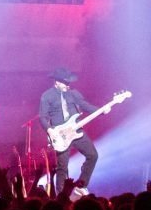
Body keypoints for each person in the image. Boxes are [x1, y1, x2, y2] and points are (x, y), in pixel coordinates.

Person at [38, 67, 106, 198]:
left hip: (76, 131)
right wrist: (50, 130)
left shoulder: (73, 93)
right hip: (61, 135)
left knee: (93, 155)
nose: (67, 84)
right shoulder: (47, 96)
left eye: (68, 82)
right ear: (57, 82)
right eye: (65, 82)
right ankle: (62, 197)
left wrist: (102, 110)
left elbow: (85, 105)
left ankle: (81, 185)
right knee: (62, 167)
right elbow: (42, 117)